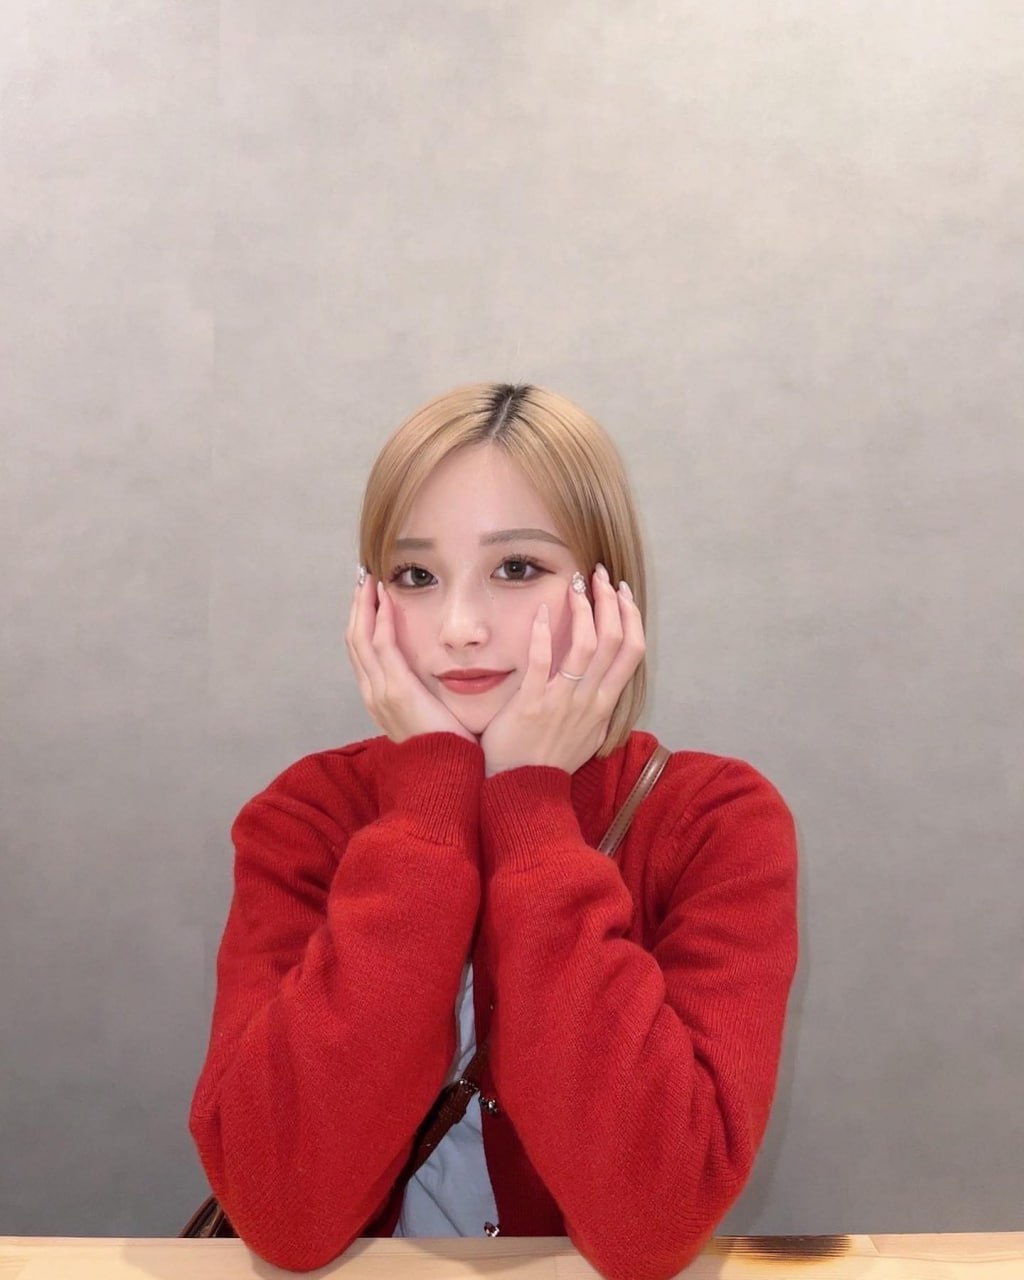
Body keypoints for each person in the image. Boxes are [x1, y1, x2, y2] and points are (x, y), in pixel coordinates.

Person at [188, 382, 798, 1280]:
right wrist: (429, 806)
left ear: (609, 593)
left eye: (516, 568)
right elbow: (285, 1212)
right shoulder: (306, 816)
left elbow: (649, 1225)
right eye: (415, 577)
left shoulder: (714, 821)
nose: (461, 628)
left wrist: (529, 808)